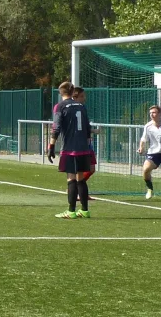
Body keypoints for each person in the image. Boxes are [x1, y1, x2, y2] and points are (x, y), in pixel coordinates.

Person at [49, 81, 92, 219]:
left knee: (71, 179)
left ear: (60, 92)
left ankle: (71, 211)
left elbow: (56, 127)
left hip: (70, 149)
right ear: (72, 91)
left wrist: (51, 146)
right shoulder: (81, 106)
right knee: (81, 179)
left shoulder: (60, 106)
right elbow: (87, 127)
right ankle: (85, 210)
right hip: (84, 149)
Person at [72, 86, 100, 200]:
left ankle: (78, 189)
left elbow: (84, 126)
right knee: (82, 169)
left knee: (91, 169)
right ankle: (76, 189)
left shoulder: (82, 108)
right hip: (80, 145)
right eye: (82, 96)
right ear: (75, 97)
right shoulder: (72, 110)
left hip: (88, 144)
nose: (84, 98)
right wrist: (93, 131)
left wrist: (91, 132)